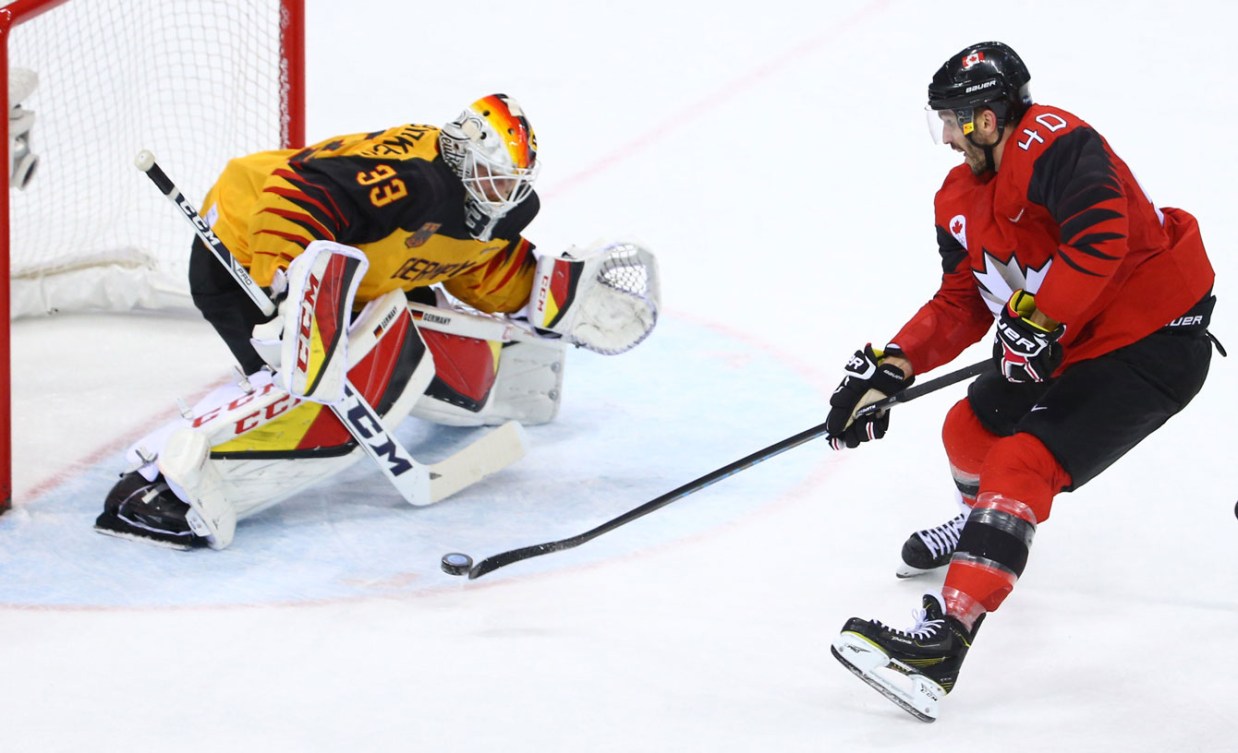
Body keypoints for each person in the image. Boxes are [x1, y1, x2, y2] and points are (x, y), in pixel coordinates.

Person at [824, 42, 1220, 721]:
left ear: (987, 117)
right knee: (967, 430)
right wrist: (894, 364)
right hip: (1074, 340)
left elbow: (1102, 237)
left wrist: (1040, 319)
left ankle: (944, 640)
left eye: (953, 119)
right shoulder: (958, 196)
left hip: (1155, 339)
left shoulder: (1055, 140)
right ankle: (986, 522)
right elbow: (964, 299)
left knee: (1020, 460)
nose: (946, 136)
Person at [94, 93, 660, 550]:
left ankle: (496, 377)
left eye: (512, 182)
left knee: (396, 330)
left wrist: (548, 295)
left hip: (362, 258)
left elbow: (473, 263)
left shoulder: (485, 203)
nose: (502, 194)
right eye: (491, 178)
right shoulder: (411, 180)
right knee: (310, 377)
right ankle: (171, 489)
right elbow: (295, 194)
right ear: (462, 156)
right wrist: (290, 287)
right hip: (248, 241)